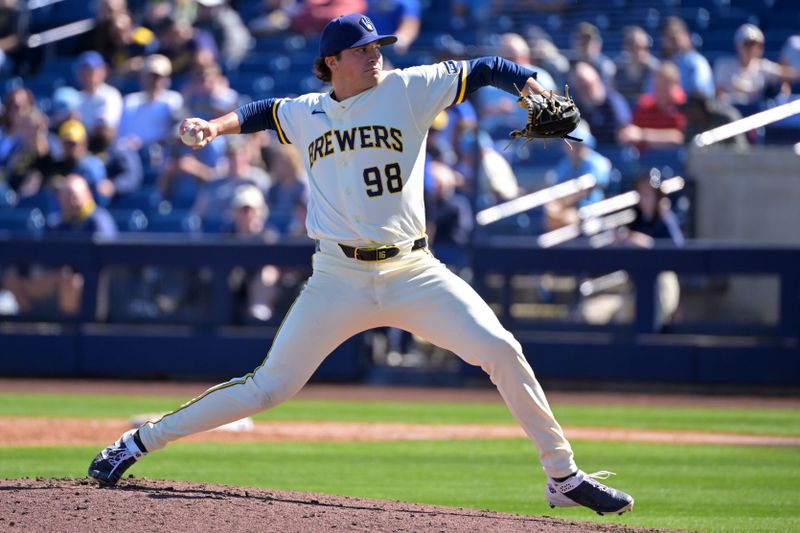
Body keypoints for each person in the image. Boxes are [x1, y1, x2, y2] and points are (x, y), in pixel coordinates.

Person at [87, 13, 634, 516]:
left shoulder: (408, 88)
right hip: (337, 278)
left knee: (501, 349)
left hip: (413, 271)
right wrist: (215, 125)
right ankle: (137, 442)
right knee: (268, 388)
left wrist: (528, 87)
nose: (375, 54)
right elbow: (261, 113)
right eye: (362, 48)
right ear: (332, 62)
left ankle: (561, 475)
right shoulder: (307, 111)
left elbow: (488, 67)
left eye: (378, 45)